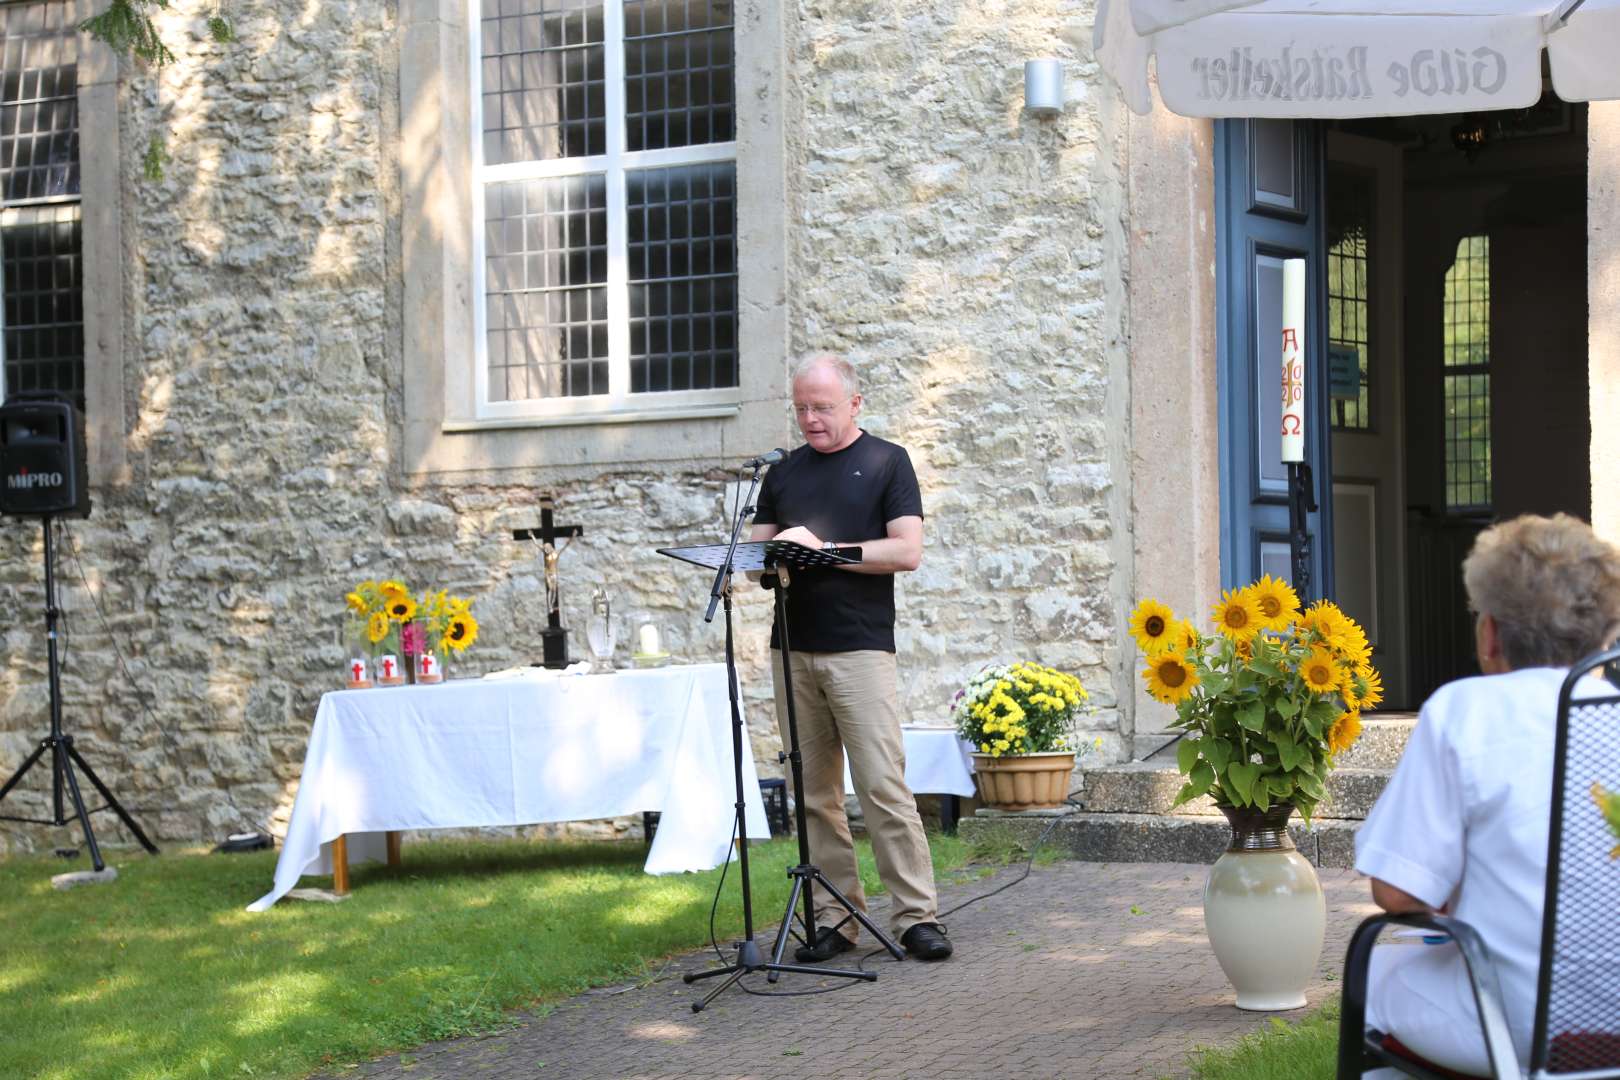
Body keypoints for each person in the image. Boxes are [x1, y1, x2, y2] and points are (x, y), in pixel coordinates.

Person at [1353, 513, 1620, 1076]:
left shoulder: (1464, 712)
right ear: (1604, 635)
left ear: (1492, 631)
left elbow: (1397, 893)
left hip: (1519, 1026)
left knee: (1378, 972)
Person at [748, 353, 951, 962]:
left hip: (859, 648)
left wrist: (822, 551)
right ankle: (837, 917)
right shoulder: (782, 475)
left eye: (823, 407)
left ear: (854, 403)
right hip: (793, 649)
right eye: (801, 407)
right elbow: (756, 554)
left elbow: (906, 550)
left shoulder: (887, 461)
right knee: (813, 793)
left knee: (883, 784)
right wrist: (766, 552)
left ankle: (917, 917)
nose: (810, 419)